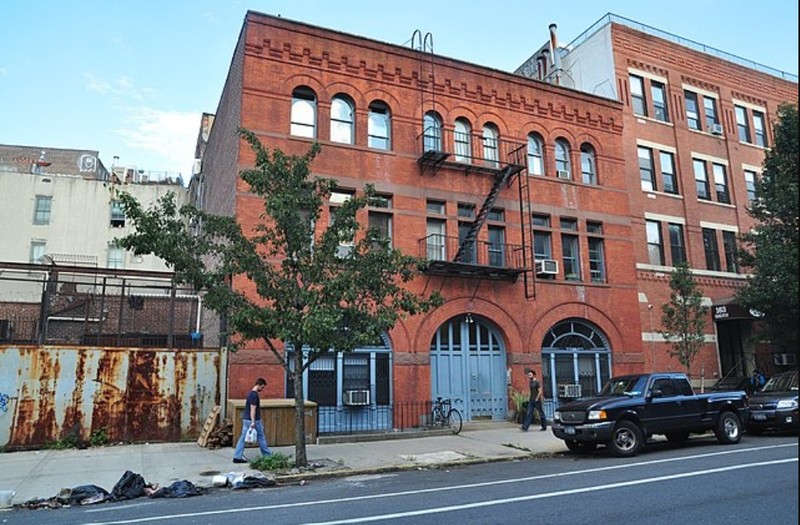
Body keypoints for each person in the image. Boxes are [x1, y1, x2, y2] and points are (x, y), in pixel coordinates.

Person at [233, 377, 272, 463]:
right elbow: (253, 408)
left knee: (243, 438)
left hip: (246, 419)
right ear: (259, 385)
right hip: (254, 420)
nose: (262, 389)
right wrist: (253, 421)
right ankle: (267, 456)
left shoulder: (250, 394)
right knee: (261, 437)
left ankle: (237, 456)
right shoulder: (254, 395)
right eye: (262, 387)